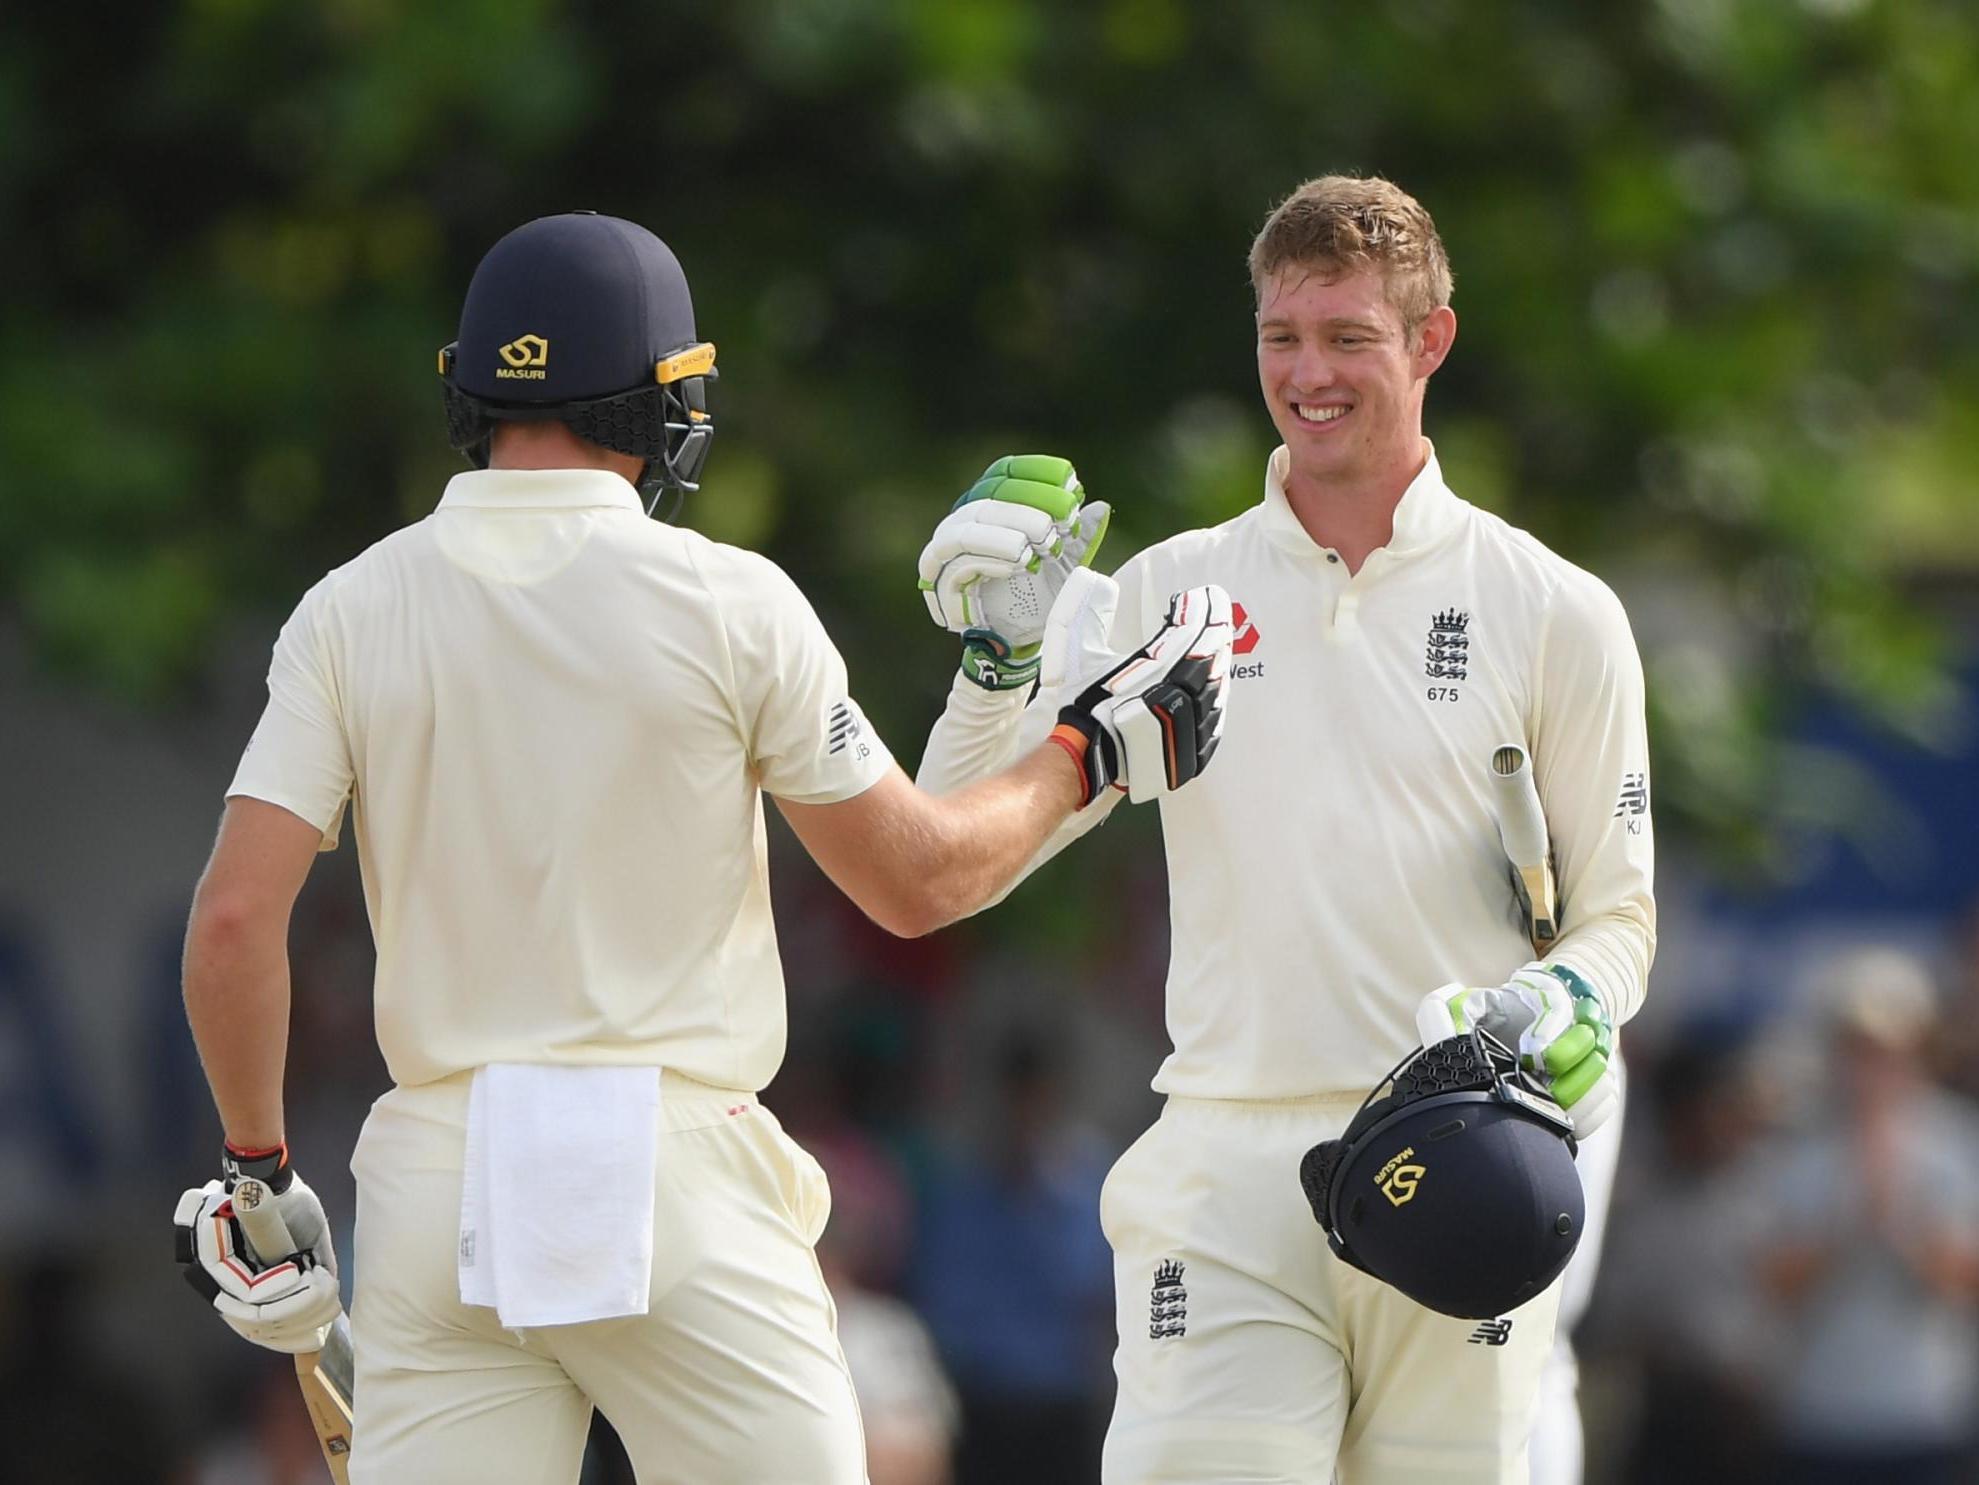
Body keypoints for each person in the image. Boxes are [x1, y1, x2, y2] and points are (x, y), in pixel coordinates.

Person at [168, 210, 1233, 1485]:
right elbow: (919, 880)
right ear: (656, 399)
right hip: (671, 1174)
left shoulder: (350, 608)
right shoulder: (728, 602)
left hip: (435, 1187)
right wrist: (1090, 752)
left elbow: (234, 922)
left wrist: (256, 1171)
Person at [912, 174, 1655, 1482]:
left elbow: (1617, 914)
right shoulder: (1166, 590)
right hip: (1227, 1166)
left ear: (1427, 342)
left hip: (1465, 1143)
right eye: (1280, 338)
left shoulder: (1551, 609)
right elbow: (963, 851)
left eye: (1345, 338)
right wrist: (995, 656)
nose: (1307, 374)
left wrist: (1564, 997)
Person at [1752, 946, 1979, 1485]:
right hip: (1819, 1418)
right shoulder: (1798, 1147)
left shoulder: (1957, 1142)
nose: (1871, 1070)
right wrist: (1846, 1220)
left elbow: (1963, 1283)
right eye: (1857, 1051)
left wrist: (1901, 1221)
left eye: (1887, 1052)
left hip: (1925, 1416)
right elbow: (1774, 1287)